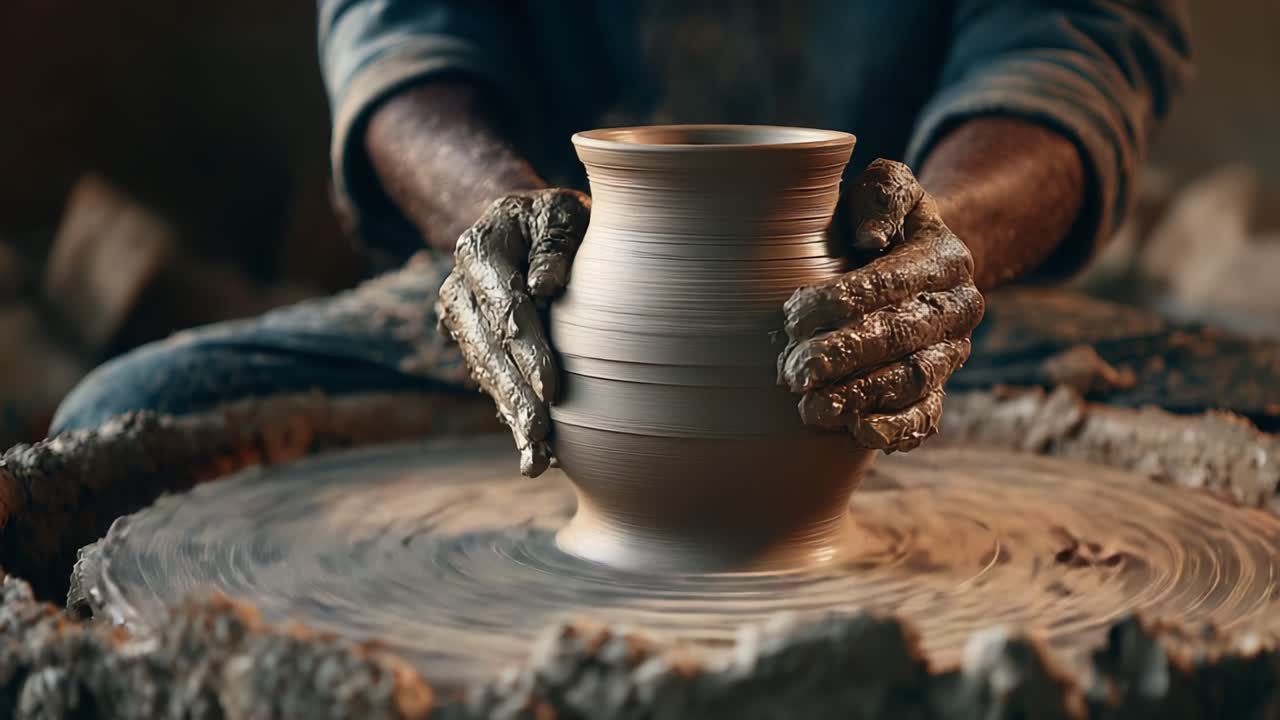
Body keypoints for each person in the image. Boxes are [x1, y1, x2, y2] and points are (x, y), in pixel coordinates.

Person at [51, 1, 1192, 476]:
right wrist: (490, 214)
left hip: (896, 313)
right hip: (553, 309)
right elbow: (400, 33)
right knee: (118, 432)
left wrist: (945, 248)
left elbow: (1069, 35)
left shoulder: (917, 279)